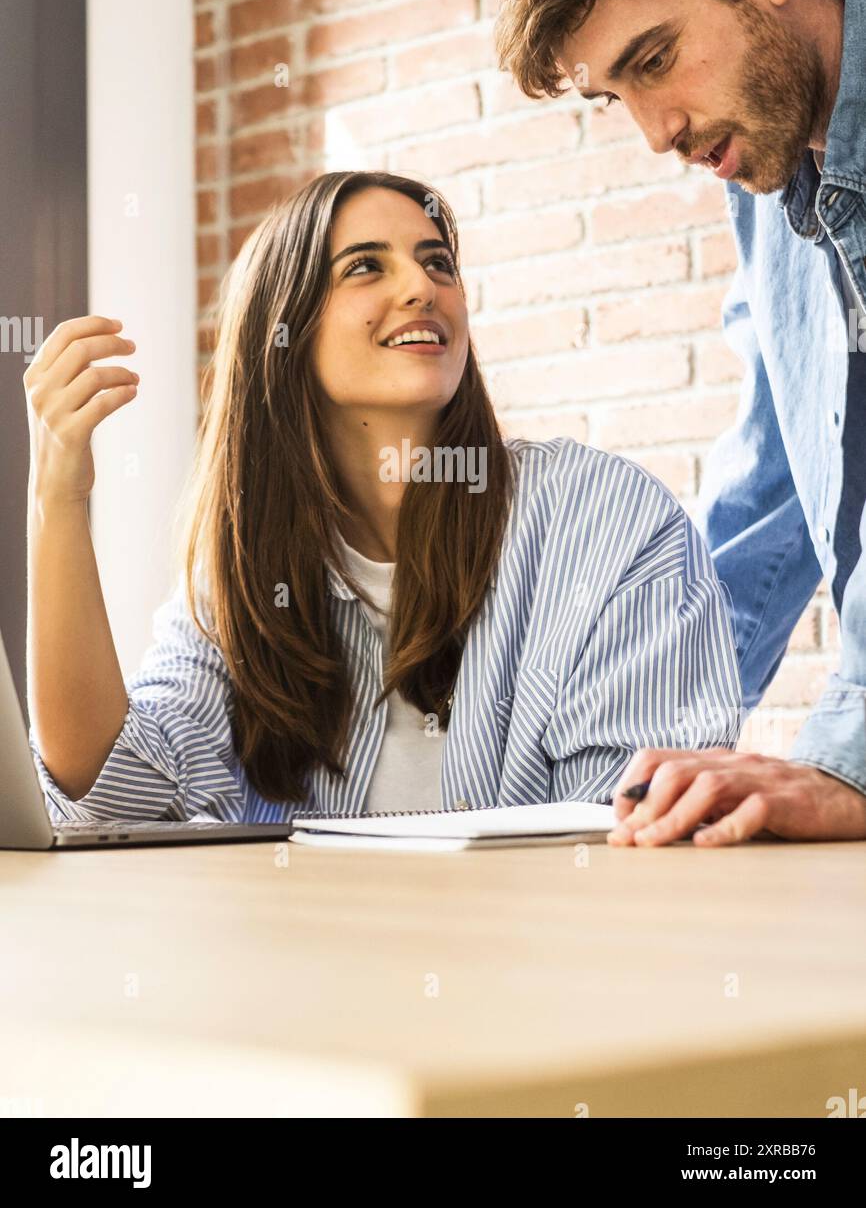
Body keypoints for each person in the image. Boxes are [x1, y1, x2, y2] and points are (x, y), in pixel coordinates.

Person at [24, 171, 740, 824]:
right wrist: (57, 498)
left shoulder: (606, 521)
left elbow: (633, 827)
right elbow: (113, 790)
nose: (422, 288)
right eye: (366, 265)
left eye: (438, 263)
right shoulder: (245, 577)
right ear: (286, 332)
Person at [494, 0, 866, 844]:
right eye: (618, 95)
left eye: (652, 59)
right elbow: (772, 491)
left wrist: (844, 758)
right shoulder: (769, 176)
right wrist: (616, 755)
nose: (654, 133)